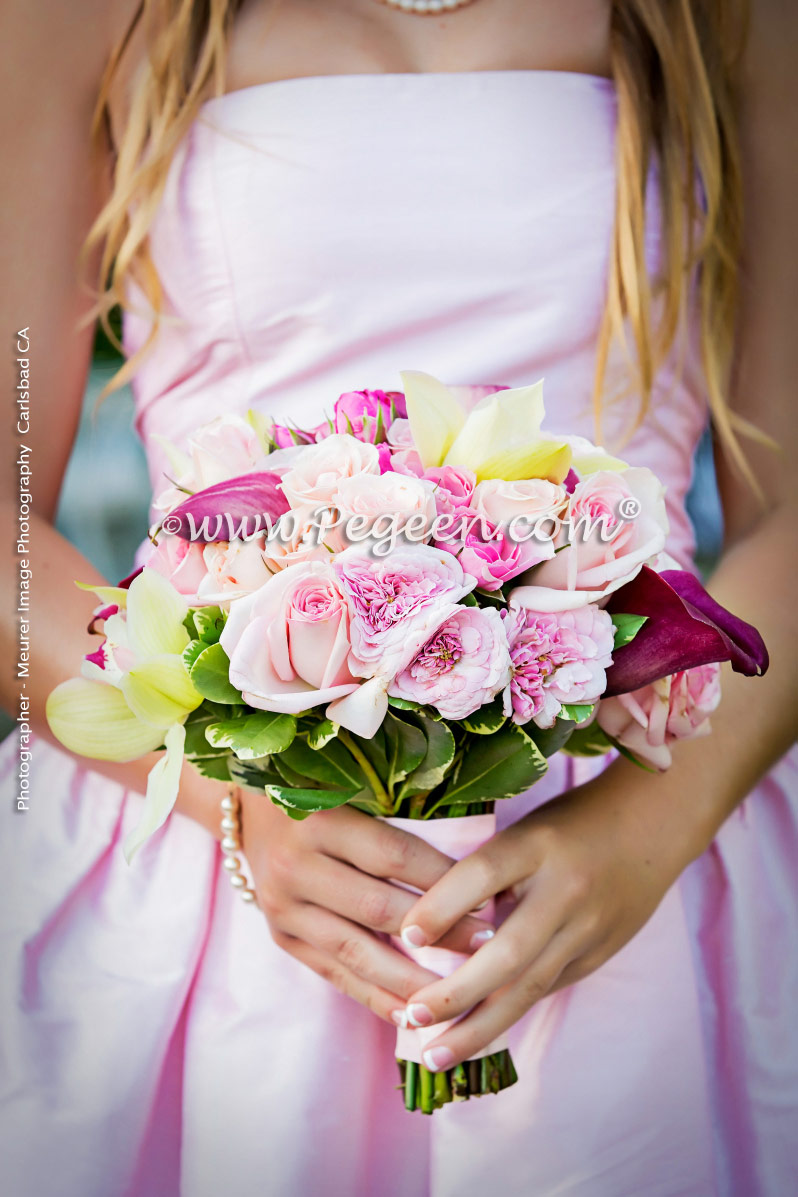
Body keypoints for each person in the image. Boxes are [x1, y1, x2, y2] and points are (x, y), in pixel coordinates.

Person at [1, 1, 796, 1193]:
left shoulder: (727, 19)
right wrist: (238, 802)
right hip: (221, 829)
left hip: (652, 825)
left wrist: (641, 836)